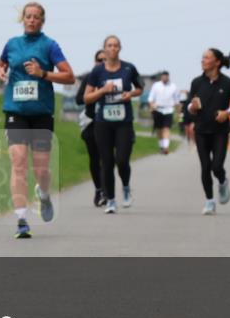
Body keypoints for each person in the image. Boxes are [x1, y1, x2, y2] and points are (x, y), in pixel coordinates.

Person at [0, 3, 75, 238]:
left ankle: (43, 192)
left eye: (36, 17)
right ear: (23, 19)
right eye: (28, 16)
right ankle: (21, 219)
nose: (31, 20)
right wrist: (0, 70)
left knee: (41, 170)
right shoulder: (12, 44)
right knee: (18, 162)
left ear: (42, 21)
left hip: (41, 114)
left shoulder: (50, 46)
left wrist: (44, 74)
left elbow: (69, 76)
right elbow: (1, 63)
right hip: (16, 111)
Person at [83, 35, 143, 214]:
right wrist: (102, 90)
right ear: (104, 49)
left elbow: (140, 88)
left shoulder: (128, 68)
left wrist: (130, 95)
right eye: (109, 45)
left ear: (120, 48)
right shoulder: (97, 72)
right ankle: (110, 200)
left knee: (122, 160)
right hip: (103, 122)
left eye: (116, 45)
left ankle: (125, 186)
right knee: (107, 162)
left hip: (124, 122)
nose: (113, 48)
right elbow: (87, 97)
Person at [186, 48, 230, 215]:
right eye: (202, 57)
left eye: (206, 57)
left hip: (220, 132)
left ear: (217, 62)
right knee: (205, 166)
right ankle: (209, 201)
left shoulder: (228, 83)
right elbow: (189, 106)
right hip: (201, 130)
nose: (202, 60)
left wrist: (227, 112)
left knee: (216, 166)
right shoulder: (196, 82)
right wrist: (193, 106)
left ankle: (222, 181)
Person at [74, 49, 106, 206]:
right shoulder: (89, 78)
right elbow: (79, 100)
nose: (102, 63)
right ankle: (99, 189)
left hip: (109, 123)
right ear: (95, 62)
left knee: (107, 158)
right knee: (95, 157)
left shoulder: (115, 78)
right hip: (91, 122)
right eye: (99, 60)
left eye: (105, 60)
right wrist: (96, 93)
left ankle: (107, 189)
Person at [147, 70, 178, 155]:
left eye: (166, 76)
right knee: (159, 129)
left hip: (169, 110)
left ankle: (166, 147)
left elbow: (176, 101)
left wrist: (178, 112)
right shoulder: (156, 85)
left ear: (168, 77)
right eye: (163, 76)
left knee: (166, 128)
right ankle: (161, 146)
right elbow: (150, 98)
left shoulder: (173, 86)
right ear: (161, 77)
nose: (165, 78)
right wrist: (151, 106)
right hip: (157, 110)